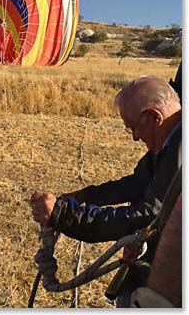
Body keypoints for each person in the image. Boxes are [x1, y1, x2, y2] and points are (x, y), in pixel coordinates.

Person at [31, 75, 182, 306]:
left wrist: (63, 215)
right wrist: (85, 196)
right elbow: (138, 183)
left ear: (153, 117)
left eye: (133, 128)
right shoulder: (172, 139)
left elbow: (147, 216)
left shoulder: (181, 150)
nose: (134, 138)